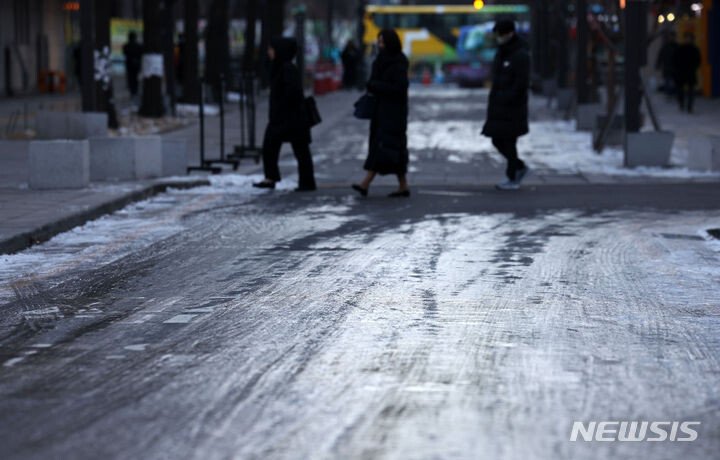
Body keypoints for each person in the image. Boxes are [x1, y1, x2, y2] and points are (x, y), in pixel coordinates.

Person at [352, 29, 410, 198]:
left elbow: (399, 88)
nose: (380, 45)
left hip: (393, 114)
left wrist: (375, 85)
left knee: (385, 147)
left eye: (383, 42)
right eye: (379, 42)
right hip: (381, 112)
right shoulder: (381, 60)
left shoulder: (398, 62)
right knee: (392, 149)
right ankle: (403, 185)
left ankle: (365, 183)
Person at [253, 37, 317, 192]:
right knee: (273, 147)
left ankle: (305, 182)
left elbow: (292, 93)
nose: (269, 52)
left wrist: (281, 109)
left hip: (290, 118)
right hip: (286, 118)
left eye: (271, 49)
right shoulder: (281, 67)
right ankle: (273, 178)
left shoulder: (287, 68)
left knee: (297, 150)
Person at [482, 19, 530, 191]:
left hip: (511, 107)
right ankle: (518, 168)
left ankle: (513, 175)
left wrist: (507, 97)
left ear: (509, 33)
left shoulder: (519, 54)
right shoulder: (503, 52)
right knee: (498, 139)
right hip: (499, 106)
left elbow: (521, 83)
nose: (498, 38)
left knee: (508, 141)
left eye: (500, 34)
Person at [673, 32, 701, 113]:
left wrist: (694, 67)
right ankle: (682, 104)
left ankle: (689, 106)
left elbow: (698, 60)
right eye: (687, 38)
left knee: (691, 91)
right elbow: (675, 60)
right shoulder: (680, 49)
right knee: (680, 90)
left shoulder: (694, 49)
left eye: (689, 38)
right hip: (681, 73)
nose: (688, 40)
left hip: (690, 72)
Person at [655, 31, 678, 98]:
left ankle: (672, 93)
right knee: (667, 81)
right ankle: (669, 94)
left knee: (674, 81)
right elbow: (660, 56)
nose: (671, 38)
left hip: (674, 68)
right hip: (667, 67)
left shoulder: (676, 46)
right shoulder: (665, 47)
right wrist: (658, 64)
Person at [122, 32, 143, 97]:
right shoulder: (138, 46)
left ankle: (132, 91)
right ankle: (134, 90)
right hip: (136, 64)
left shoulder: (126, 46)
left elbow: (125, 53)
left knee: (131, 78)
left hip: (129, 64)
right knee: (135, 78)